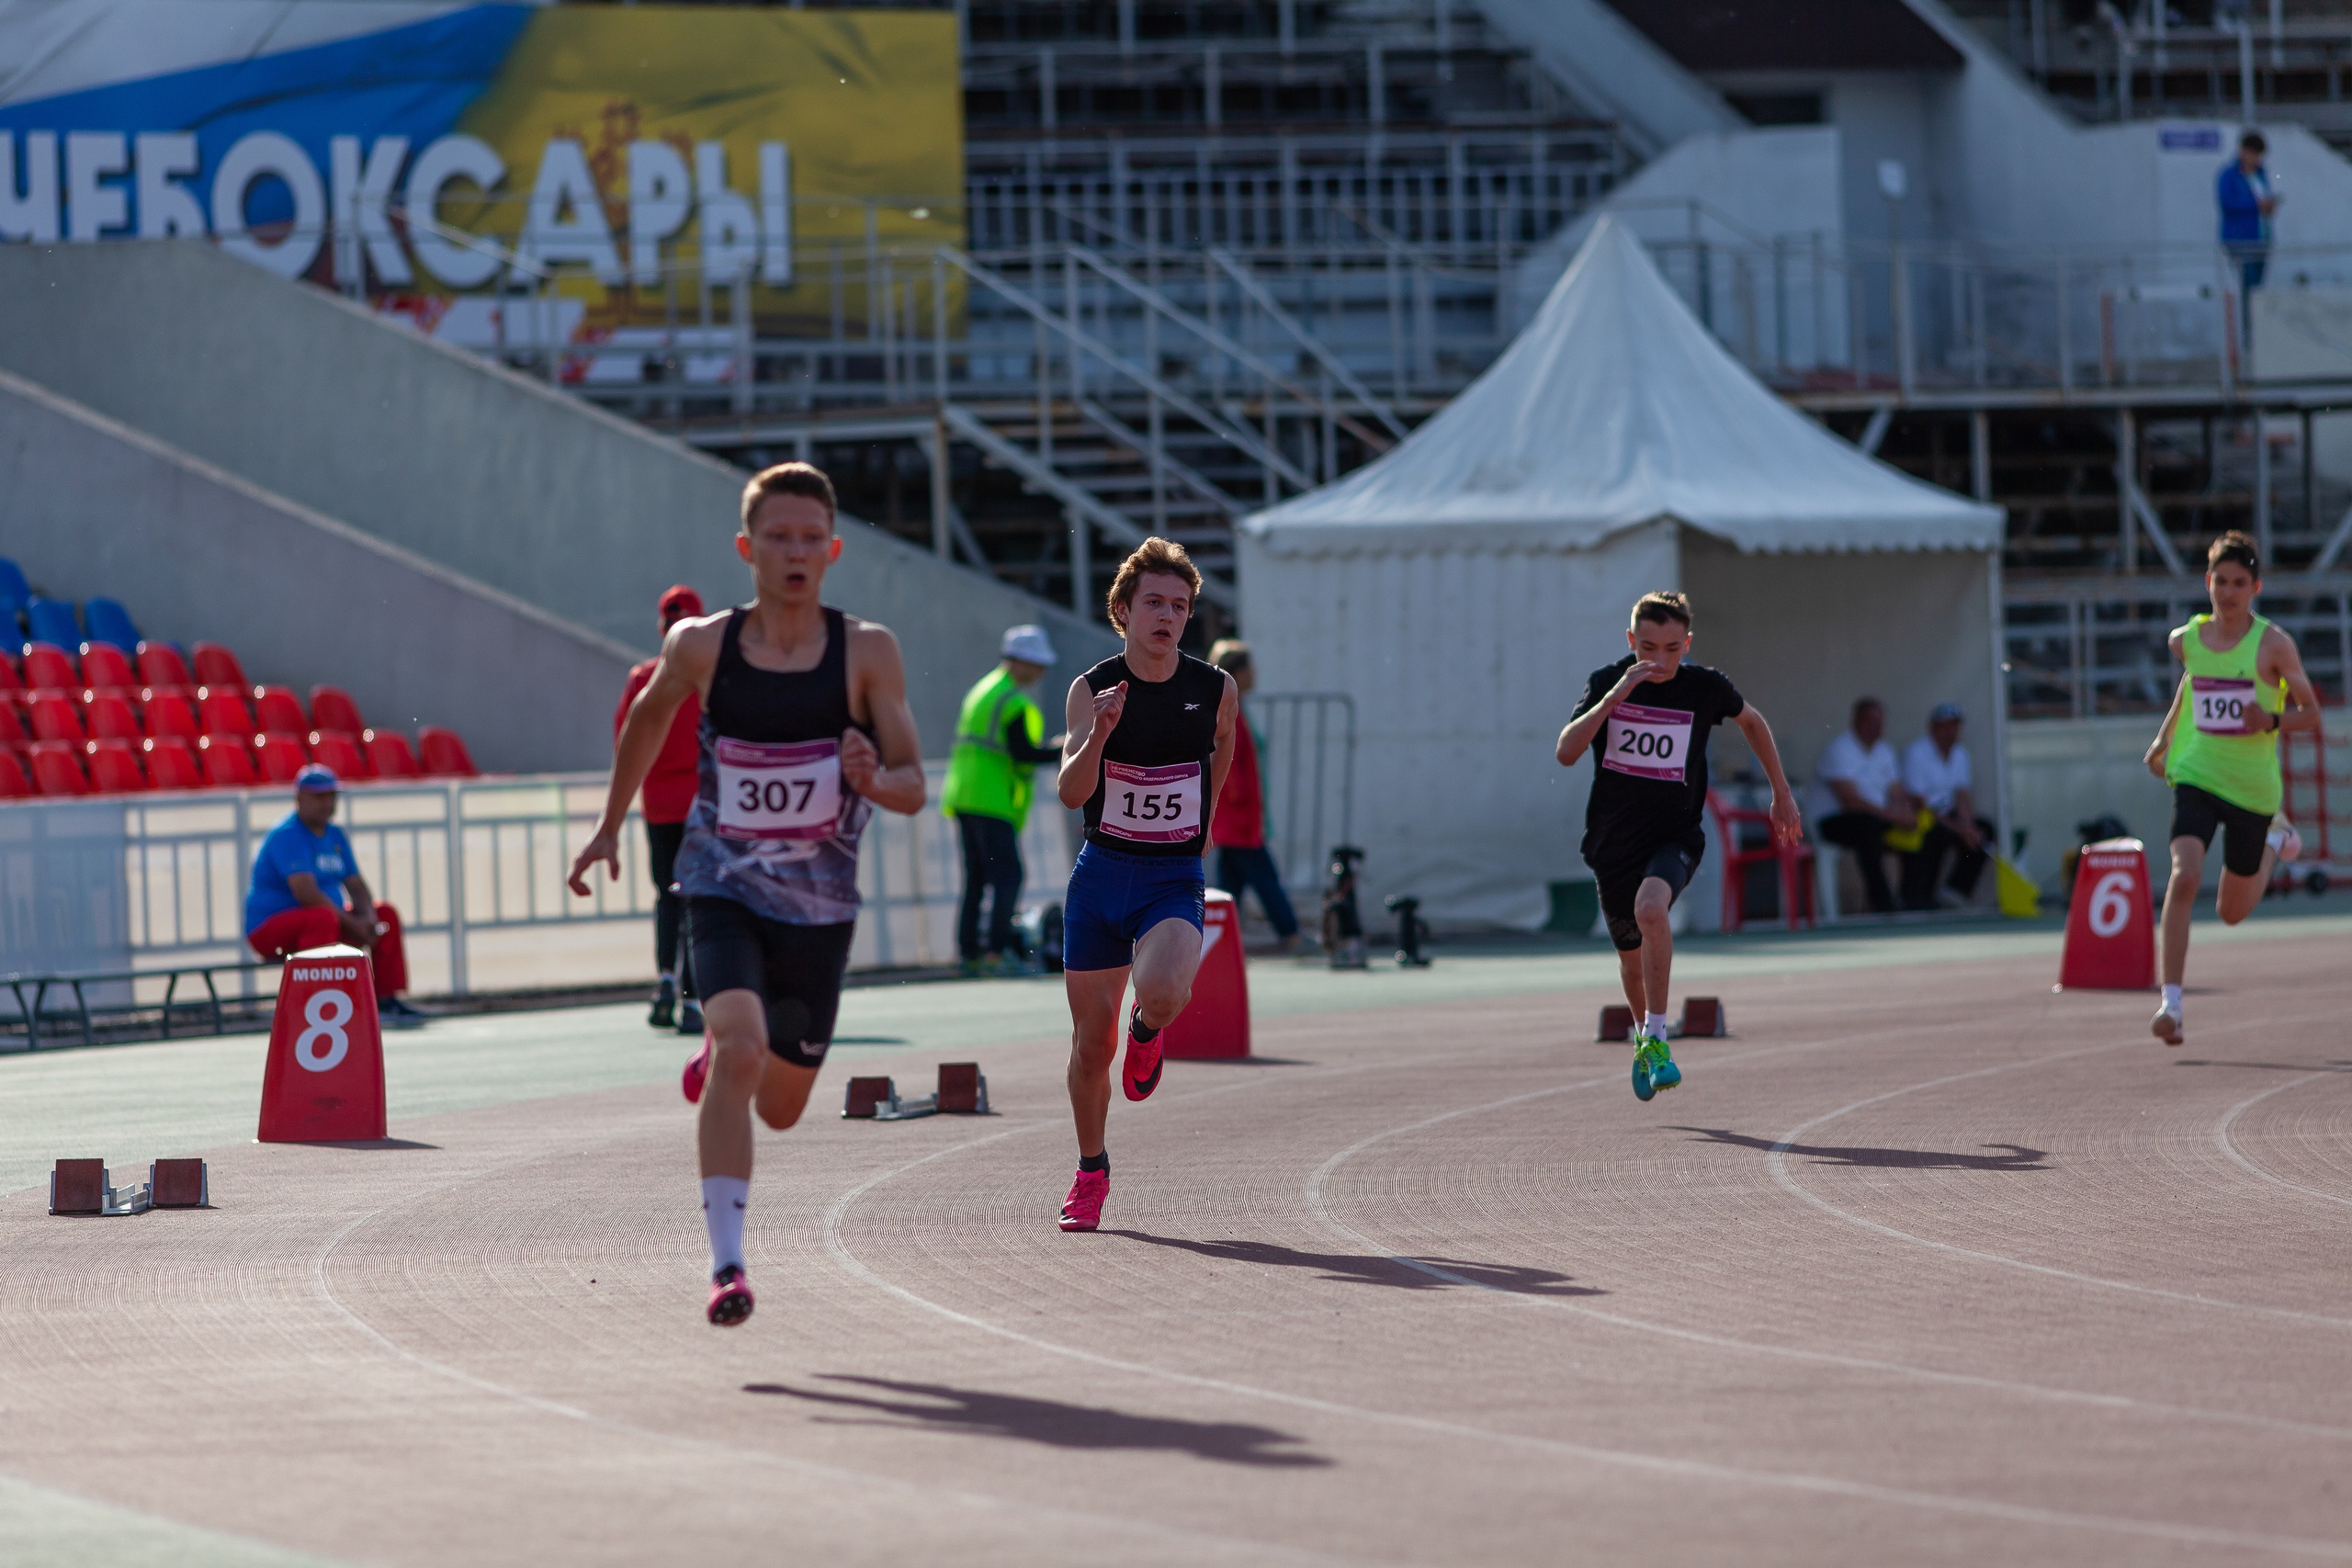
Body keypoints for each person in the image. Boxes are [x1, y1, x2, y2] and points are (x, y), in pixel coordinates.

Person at [567, 461, 926, 1326]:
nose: (795, 552)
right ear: (746, 547)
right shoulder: (701, 645)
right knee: (738, 1048)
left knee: (784, 1103)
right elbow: (646, 723)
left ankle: (733, 1052)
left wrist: (872, 780)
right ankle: (728, 1267)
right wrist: (611, 824)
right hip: (719, 879)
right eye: (778, 537)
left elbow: (915, 783)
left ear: (833, 550)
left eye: (811, 538)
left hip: (818, 905)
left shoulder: (867, 652)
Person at [1053, 537, 1238, 1232]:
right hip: (1102, 873)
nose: (1167, 615)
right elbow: (1072, 792)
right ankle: (1091, 1169)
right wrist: (1099, 734)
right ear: (1124, 611)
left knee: (1164, 990)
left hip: (1170, 873)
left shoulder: (1214, 688)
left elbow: (1221, 750)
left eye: (1180, 606)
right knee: (1088, 1047)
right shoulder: (1091, 686)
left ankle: (1148, 1027)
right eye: (1153, 603)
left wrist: (1204, 827)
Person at [1556, 592, 1800, 1101]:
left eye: (1671, 649)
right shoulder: (1608, 683)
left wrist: (1781, 792)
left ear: (1687, 645)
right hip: (1611, 843)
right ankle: (1646, 1039)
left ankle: (1661, 1039)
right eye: (1647, 647)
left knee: (1651, 908)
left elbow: (1752, 721)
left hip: (1675, 835)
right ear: (1631, 641)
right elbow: (1566, 752)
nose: (1659, 661)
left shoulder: (1704, 687)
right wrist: (1614, 698)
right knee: (1629, 961)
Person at [2142, 531, 2317, 1046]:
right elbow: (2192, 682)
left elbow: (2311, 714)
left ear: (2255, 587)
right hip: (2197, 774)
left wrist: (2269, 719)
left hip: (2251, 789)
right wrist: (2163, 740)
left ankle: (2271, 840)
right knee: (2186, 872)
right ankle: (2171, 1006)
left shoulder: (2274, 645)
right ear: (2208, 582)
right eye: (2221, 581)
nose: (2229, 591)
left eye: (2240, 583)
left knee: (2231, 912)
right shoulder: (2185, 640)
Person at [244, 764, 424, 1027]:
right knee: (322, 918)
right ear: (299, 798)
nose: (327, 803)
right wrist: (353, 924)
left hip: (325, 925)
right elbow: (307, 894)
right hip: (271, 931)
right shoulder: (288, 835)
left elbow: (356, 885)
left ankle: (385, 1000)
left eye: (331, 796)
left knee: (386, 914)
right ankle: (318, 1002)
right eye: (318, 796)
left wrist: (370, 920)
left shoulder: (336, 835)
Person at [941, 624, 1065, 975]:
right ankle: (998, 953)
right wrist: (1063, 748)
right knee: (1009, 876)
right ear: (1019, 661)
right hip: (991, 798)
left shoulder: (983, 689)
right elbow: (1024, 753)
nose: (1042, 670)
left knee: (977, 878)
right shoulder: (1012, 699)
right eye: (1037, 662)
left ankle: (970, 955)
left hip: (965, 795)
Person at [617, 583, 707, 1032]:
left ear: (661, 626)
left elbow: (625, 741)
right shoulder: (708, 679)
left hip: (659, 806)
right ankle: (693, 1000)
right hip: (700, 805)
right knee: (696, 898)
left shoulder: (642, 678)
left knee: (666, 896)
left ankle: (665, 983)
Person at [1206, 638, 1301, 956]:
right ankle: (1291, 933)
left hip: (1241, 817)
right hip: (1238, 819)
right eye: (1250, 667)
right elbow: (1227, 762)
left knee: (1229, 887)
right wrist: (1235, 800)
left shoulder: (1236, 708)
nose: (1255, 674)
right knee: (1265, 878)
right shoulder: (1227, 710)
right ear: (1237, 671)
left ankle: (1218, 940)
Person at [1807, 697, 1917, 914]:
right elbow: (1851, 802)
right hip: (1831, 822)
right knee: (1867, 826)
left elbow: (1896, 791)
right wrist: (1894, 817)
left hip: (1875, 819)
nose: (1876, 726)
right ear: (1856, 721)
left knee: (1920, 828)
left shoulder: (1885, 751)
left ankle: (1915, 898)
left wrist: (1907, 815)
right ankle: (1883, 903)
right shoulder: (1839, 749)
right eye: (1870, 721)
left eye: (1879, 721)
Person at [1900, 701, 1997, 909]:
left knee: (1984, 830)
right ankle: (1919, 896)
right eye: (1947, 726)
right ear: (1934, 728)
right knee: (1937, 833)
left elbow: (1962, 795)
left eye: (1955, 726)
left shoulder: (1961, 754)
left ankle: (1955, 891)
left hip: (1948, 816)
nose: (1952, 732)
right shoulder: (1917, 753)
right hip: (1924, 817)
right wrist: (1960, 829)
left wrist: (1969, 827)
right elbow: (1920, 803)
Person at [2218, 130, 2279, 338]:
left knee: (2258, 289)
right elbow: (2227, 204)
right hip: (2240, 240)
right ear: (2243, 152)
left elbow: (2264, 199)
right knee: (2248, 288)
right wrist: (2256, 204)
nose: (2256, 159)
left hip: (2261, 238)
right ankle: (2249, 336)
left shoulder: (2260, 174)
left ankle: (2257, 334)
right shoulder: (2229, 175)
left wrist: (2269, 206)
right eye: (2254, 154)